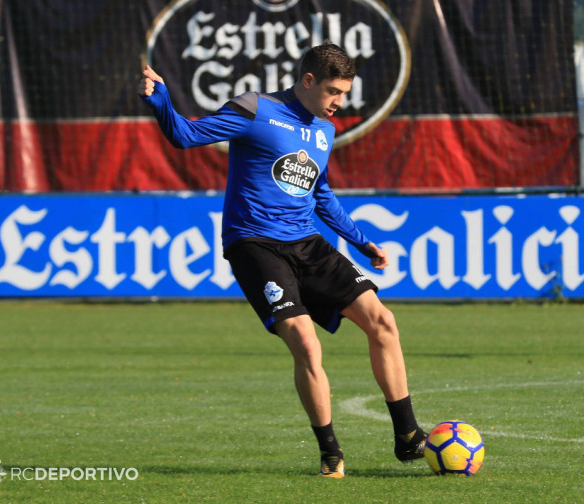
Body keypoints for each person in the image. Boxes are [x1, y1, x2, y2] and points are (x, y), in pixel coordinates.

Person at [138, 42, 426, 477]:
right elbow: (185, 135)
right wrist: (159, 98)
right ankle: (330, 452)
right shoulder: (255, 110)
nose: (338, 103)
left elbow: (320, 193)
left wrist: (362, 241)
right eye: (332, 92)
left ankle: (408, 437)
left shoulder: (323, 131)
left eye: (344, 93)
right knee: (306, 343)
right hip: (254, 243)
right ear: (307, 81)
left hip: (305, 241)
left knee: (382, 321)